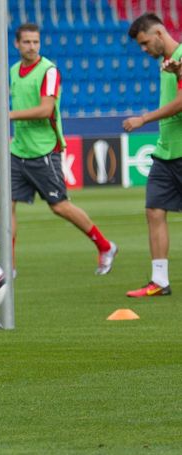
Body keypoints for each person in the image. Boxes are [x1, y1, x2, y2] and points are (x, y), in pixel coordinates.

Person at [7, 23, 118, 276]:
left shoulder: (49, 71)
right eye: (27, 42)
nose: (32, 46)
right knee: (7, 206)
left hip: (44, 151)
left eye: (36, 42)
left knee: (59, 206)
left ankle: (105, 245)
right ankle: (8, 265)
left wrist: (7, 114)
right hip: (18, 150)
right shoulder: (13, 70)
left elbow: (46, 110)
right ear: (17, 44)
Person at [122, 13, 182, 297]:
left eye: (145, 43)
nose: (144, 49)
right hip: (166, 151)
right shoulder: (166, 63)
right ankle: (159, 281)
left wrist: (143, 119)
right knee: (154, 210)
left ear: (159, 33)